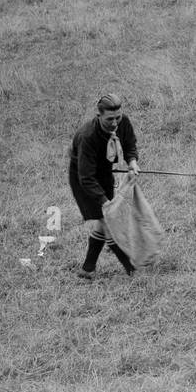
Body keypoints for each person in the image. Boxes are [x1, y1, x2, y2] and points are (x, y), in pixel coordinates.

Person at [68, 93, 139, 279]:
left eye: (118, 117)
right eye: (110, 119)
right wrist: (104, 201)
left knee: (103, 221)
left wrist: (132, 162)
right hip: (83, 179)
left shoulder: (123, 122)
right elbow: (86, 178)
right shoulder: (87, 136)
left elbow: (130, 144)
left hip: (104, 173)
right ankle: (131, 269)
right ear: (99, 115)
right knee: (108, 220)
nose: (115, 123)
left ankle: (87, 269)